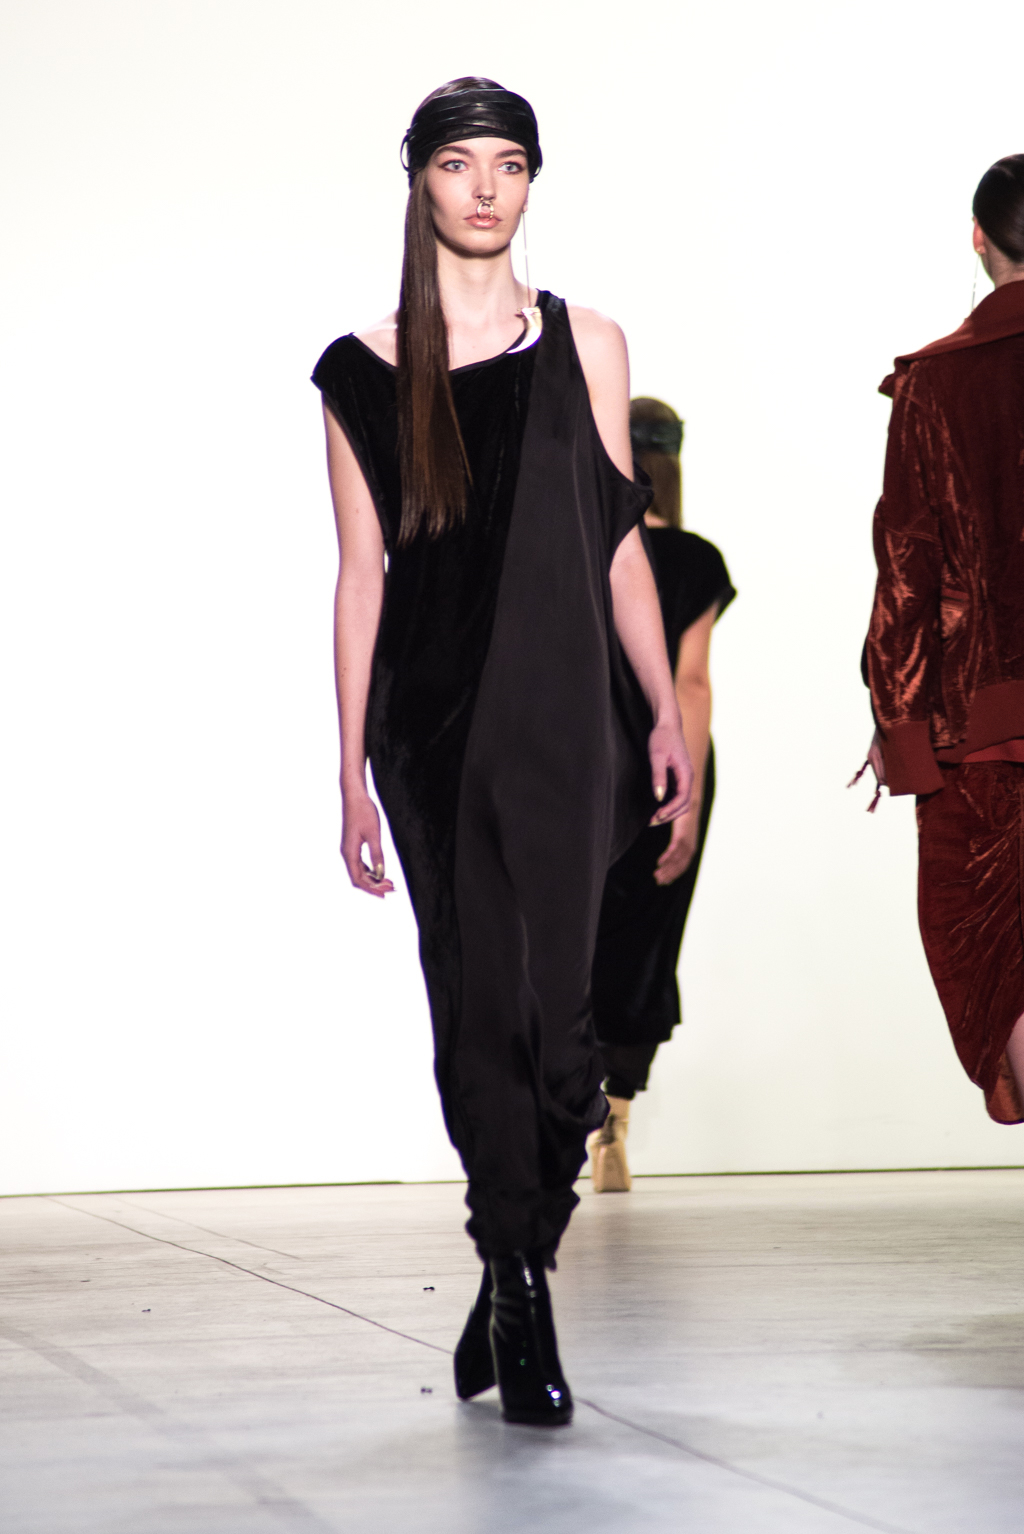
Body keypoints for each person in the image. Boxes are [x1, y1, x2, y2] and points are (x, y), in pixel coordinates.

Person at [311, 78, 692, 1426]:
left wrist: (665, 707)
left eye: (510, 164)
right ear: (418, 178)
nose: (485, 188)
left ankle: (507, 1252)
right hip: (431, 732)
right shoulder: (363, 371)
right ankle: (523, 1287)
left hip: (568, 719)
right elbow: (361, 573)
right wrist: (348, 765)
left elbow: (617, 542)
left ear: (532, 181)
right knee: (481, 1002)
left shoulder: (590, 342)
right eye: (459, 163)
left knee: (567, 1019)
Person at [864, 153, 1024, 1128]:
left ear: (978, 241)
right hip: (983, 728)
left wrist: (902, 730)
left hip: (981, 729)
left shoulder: (936, 382)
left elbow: (907, 570)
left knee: (1000, 961)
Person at [588, 400, 735, 1191]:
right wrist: (691, 801)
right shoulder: (694, 561)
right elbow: (691, 683)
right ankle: (613, 1122)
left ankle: (566, 1106)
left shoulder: (588, 548)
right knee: (644, 951)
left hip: (587, 769)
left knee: (571, 941)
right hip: (666, 770)